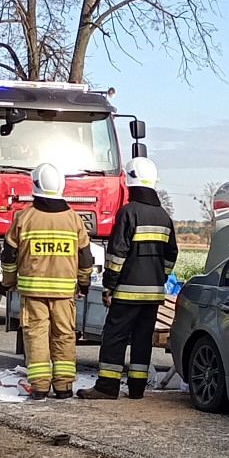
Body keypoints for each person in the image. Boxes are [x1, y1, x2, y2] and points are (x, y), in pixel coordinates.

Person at [78, 157, 177, 401]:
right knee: (142, 340)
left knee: (115, 337)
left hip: (126, 292)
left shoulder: (128, 212)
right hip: (153, 293)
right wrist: (159, 277)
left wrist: (109, 286)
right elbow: (171, 254)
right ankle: (136, 389)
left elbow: (117, 254)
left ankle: (107, 387)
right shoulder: (164, 216)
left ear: (130, 182)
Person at [2, 163, 93, 400]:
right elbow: (85, 256)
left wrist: (8, 282)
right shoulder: (73, 219)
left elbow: (9, 255)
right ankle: (63, 387)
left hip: (33, 292)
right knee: (64, 335)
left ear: (34, 186)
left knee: (36, 336)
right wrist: (83, 284)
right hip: (64, 293)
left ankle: (40, 386)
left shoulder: (24, 217)